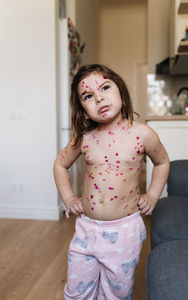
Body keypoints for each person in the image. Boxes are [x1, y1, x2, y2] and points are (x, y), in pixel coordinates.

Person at [53, 64, 170, 300]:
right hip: (86, 230)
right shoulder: (84, 138)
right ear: (84, 111)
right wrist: (68, 198)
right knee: (76, 291)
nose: (99, 98)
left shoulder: (142, 134)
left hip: (124, 231)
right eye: (88, 96)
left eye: (105, 87)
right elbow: (60, 165)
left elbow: (162, 162)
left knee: (116, 292)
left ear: (121, 93)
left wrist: (152, 195)